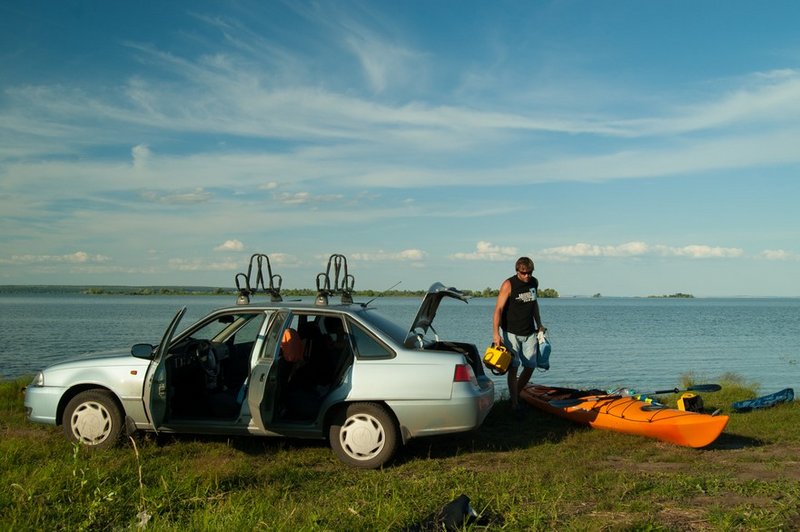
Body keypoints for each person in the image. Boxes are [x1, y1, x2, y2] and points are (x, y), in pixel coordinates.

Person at [492, 256, 545, 412]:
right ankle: (514, 403)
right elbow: (498, 310)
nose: (527, 276)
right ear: (517, 271)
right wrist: (496, 334)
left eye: (529, 272)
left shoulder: (534, 282)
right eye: (524, 273)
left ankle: (515, 394)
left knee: (530, 366)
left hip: (529, 331)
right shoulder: (508, 284)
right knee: (514, 367)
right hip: (511, 332)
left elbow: (534, 303)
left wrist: (539, 324)